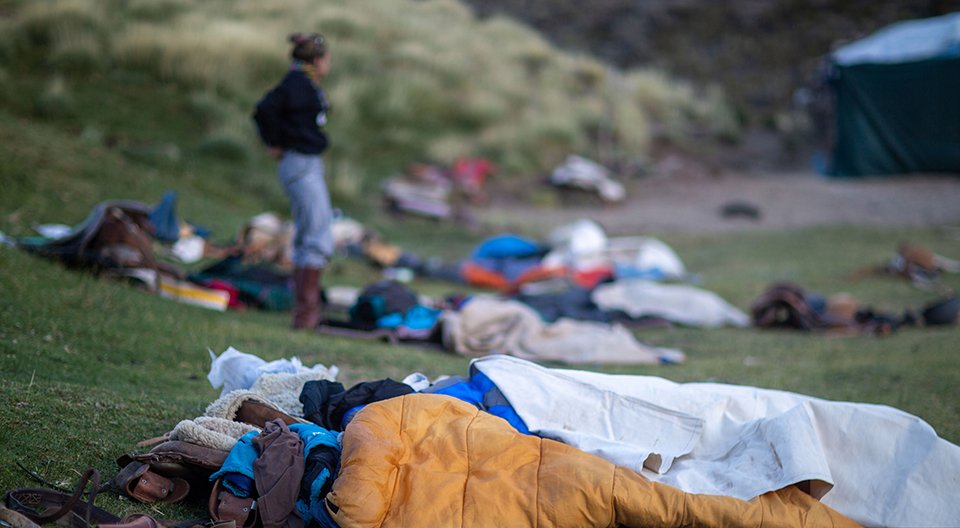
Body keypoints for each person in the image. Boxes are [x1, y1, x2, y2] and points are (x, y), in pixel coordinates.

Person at [253, 33, 334, 330]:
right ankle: (305, 314)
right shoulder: (297, 85)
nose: (328, 65)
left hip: (304, 162)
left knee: (310, 230)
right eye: (326, 59)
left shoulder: (302, 84)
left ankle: (305, 312)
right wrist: (274, 141)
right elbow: (264, 110)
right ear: (316, 60)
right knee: (317, 231)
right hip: (300, 162)